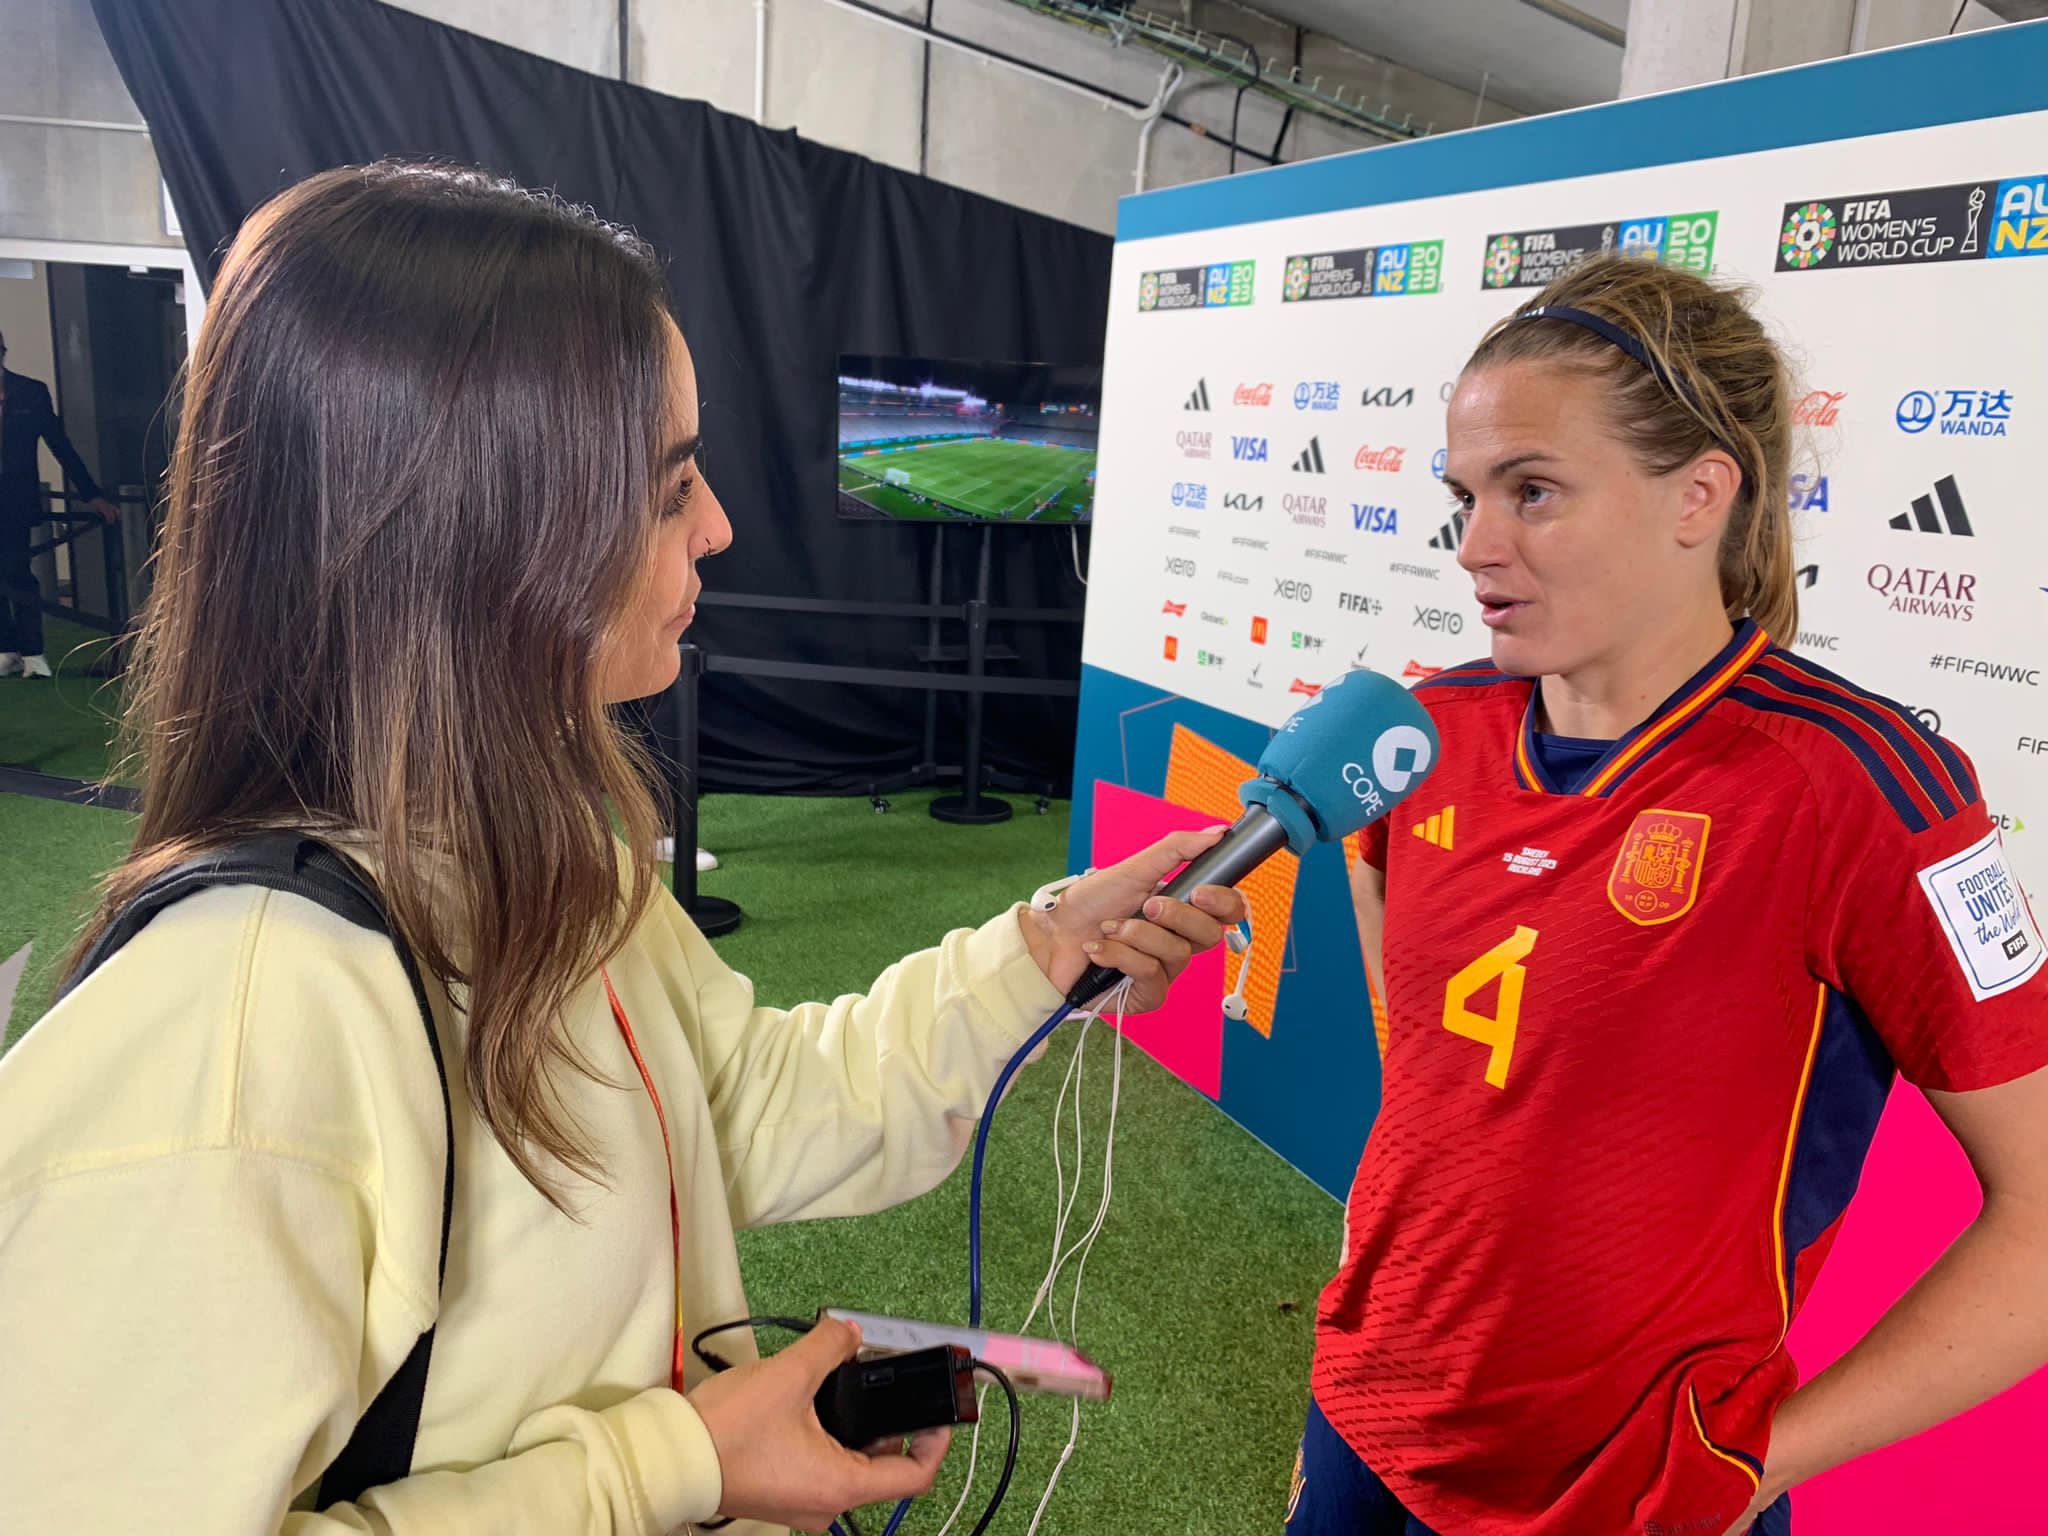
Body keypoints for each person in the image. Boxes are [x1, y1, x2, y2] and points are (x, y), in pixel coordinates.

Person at [0, 162, 1245, 1535]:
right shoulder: (231, 1033)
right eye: (666, 491)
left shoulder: (550, 859)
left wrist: (1040, 957)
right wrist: (674, 1466)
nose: (716, 526)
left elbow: (739, 1109)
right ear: (477, 536)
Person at [1291, 254, 2048, 1536]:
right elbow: (1426, 1092)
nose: (1475, 545)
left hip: (1633, 1496)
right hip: (1369, 1418)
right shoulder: (1426, 735)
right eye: (1464, 493)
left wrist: (1753, 1465)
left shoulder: (1861, 789)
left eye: (1531, 491)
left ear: (1699, 494)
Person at [0, 328, 120, 677]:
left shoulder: (31, 392)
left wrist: (91, 493)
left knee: (18, 573)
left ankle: (33, 654)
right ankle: (6, 650)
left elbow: (59, 445)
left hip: (16, 501)